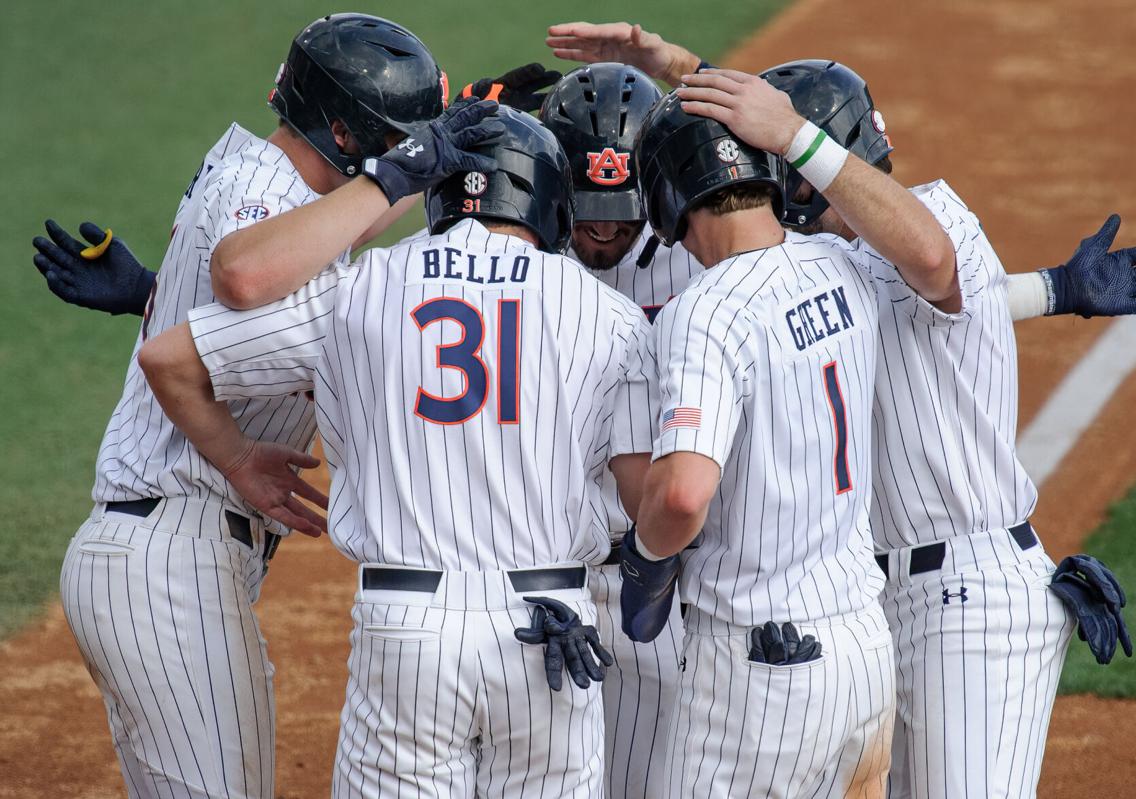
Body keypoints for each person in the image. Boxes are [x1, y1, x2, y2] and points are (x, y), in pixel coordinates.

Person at [670, 61, 1136, 796]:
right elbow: (917, 293)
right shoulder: (823, 264)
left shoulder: (939, 216)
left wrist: (792, 131)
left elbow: (930, 260)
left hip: (969, 596)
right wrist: (671, 68)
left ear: (813, 153)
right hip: (871, 608)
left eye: (780, 155)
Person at [41, 14, 500, 797]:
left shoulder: (286, 187)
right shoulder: (265, 189)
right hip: (167, 554)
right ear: (345, 134)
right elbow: (245, 280)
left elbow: (294, 266)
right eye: (396, 138)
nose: (407, 151)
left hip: (165, 555)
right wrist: (237, 455)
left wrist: (157, 293)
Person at [138, 106, 655, 797]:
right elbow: (645, 495)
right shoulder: (609, 316)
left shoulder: (358, 289)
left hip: (407, 631)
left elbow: (168, 358)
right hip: (550, 628)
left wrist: (236, 459)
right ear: (549, 201)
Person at [621, 91, 959, 798]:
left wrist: (646, 563)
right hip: (863, 648)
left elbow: (682, 494)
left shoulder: (705, 313)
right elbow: (931, 258)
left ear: (665, 195)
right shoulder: (840, 265)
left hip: (759, 676)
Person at [538, 61, 703, 799]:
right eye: (586, 207)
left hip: (664, 577)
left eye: (623, 207)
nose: (603, 225)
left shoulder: (701, 266)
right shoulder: (520, 261)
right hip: (547, 578)